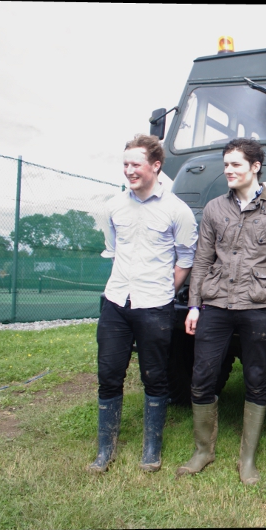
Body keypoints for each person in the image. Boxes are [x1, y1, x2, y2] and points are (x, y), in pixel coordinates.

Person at [176, 138, 266, 485]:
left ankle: (248, 460)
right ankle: (203, 451)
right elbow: (202, 260)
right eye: (226, 164)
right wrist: (194, 305)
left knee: (256, 378)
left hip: (258, 304)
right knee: (202, 376)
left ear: (255, 167)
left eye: (236, 164)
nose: (228, 170)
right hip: (215, 303)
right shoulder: (214, 208)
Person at [88, 134, 198, 473]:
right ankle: (105, 450)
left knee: (155, 376)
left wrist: (163, 291)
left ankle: (151, 449)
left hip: (155, 307)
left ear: (156, 166)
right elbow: (114, 249)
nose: (129, 170)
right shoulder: (113, 207)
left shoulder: (177, 211)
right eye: (125, 164)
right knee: (109, 374)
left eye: (136, 164)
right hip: (116, 303)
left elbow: (186, 260)